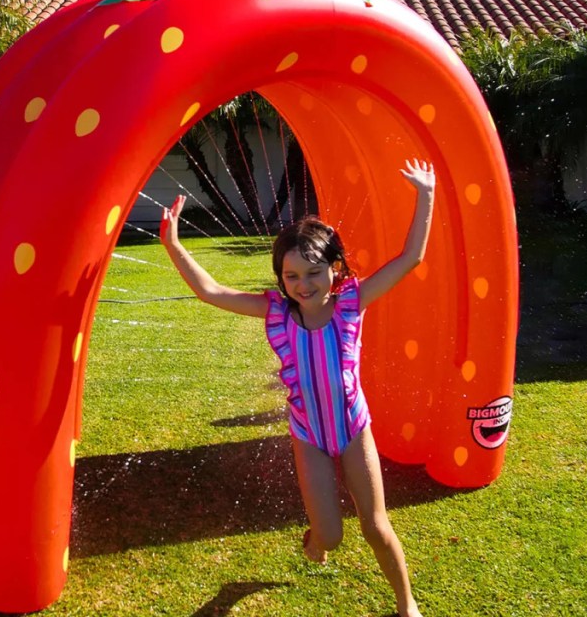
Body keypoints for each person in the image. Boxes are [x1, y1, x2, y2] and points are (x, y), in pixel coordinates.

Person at [160, 158, 435, 617]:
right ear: (280, 279)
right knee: (329, 535)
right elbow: (211, 290)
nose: (303, 285)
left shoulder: (351, 303)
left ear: (335, 269)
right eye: (291, 277)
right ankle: (316, 541)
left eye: (313, 273)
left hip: (352, 428)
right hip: (309, 435)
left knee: (375, 526)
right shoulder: (275, 314)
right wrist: (173, 245)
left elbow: (411, 258)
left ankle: (407, 605)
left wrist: (425, 194)